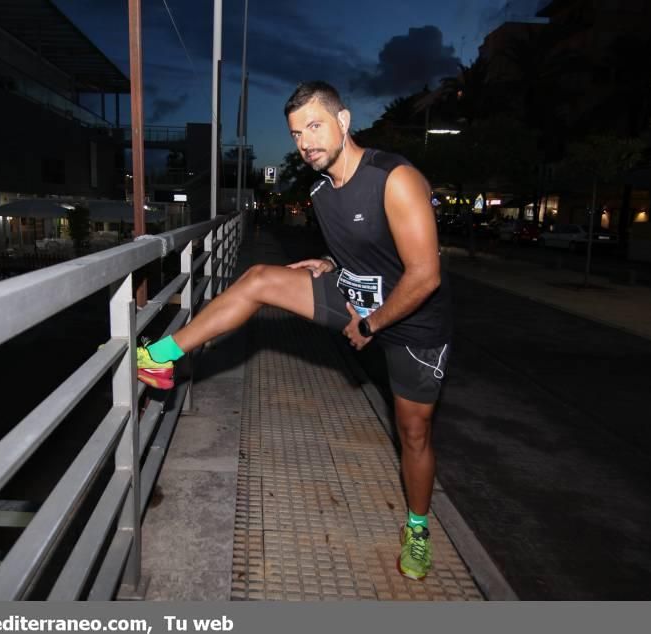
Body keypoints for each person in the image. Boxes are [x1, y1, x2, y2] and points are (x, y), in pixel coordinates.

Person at [135, 81, 452, 580]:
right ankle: (160, 354)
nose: (305, 142)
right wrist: (329, 261)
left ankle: (417, 528)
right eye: (296, 133)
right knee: (260, 280)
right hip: (355, 300)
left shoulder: (397, 179)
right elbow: (365, 248)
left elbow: (424, 276)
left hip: (412, 323)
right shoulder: (321, 191)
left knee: (413, 432)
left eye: (315, 126)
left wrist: (371, 324)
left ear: (344, 121)